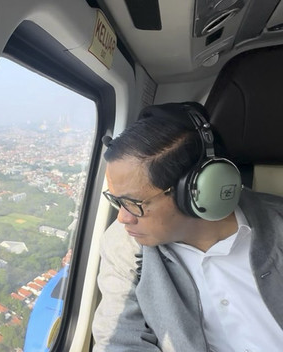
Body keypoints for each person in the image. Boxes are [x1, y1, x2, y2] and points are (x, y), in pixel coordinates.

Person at [91, 102, 283, 351]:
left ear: (200, 191)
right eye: (117, 201)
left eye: (133, 203)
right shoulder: (124, 246)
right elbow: (119, 341)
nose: (122, 218)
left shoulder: (277, 222)